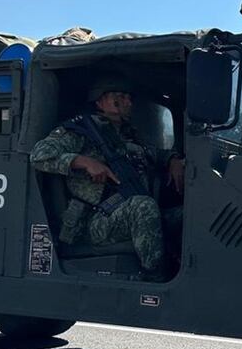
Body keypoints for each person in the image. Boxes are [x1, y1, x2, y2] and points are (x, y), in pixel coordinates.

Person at [30, 76, 185, 281]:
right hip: (92, 222)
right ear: (99, 101)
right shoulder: (80, 131)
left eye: (129, 98)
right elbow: (39, 155)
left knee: (186, 216)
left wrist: (173, 159)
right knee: (143, 206)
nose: (128, 102)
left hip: (125, 215)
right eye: (120, 97)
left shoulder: (127, 136)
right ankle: (154, 277)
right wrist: (83, 161)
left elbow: (157, 154)